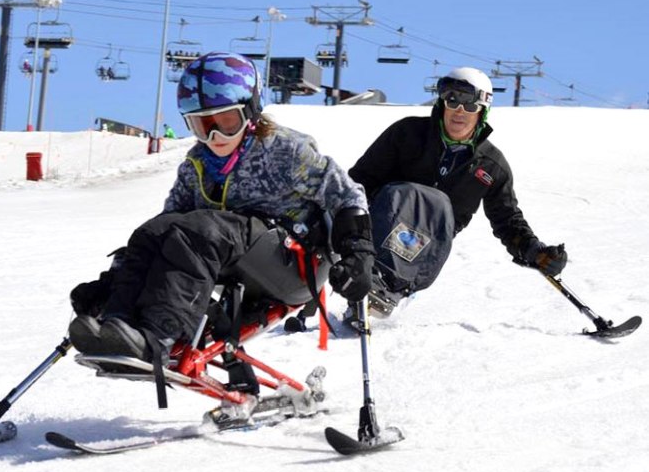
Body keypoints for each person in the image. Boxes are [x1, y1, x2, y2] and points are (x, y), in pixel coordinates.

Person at [68, 52, 374, 379]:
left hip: (293, 264)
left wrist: (358, 254)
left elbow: (346, 194)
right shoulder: (196, 165)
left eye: (226, 122)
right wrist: (111, 285)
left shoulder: (285, 150)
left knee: (200, 230)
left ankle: (158, 335)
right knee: (155, 231)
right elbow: (165, 233)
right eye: (203, 126)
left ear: (250, 112)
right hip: (230, 258)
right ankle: (120, 324)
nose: (215, 138)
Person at [347, 66, 567, 320]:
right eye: (453, 100)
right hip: (380, 226)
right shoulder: (407, 134)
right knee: (409, 196)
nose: (460, 111)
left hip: (427, 247)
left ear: (482, 111)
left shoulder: (491, 166)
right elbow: (361, 180)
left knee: (437, 207)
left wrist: (534, 251)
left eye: (469, 105)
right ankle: (368, 282)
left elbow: (507, 219)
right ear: (443, 102)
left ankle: (385, 290)